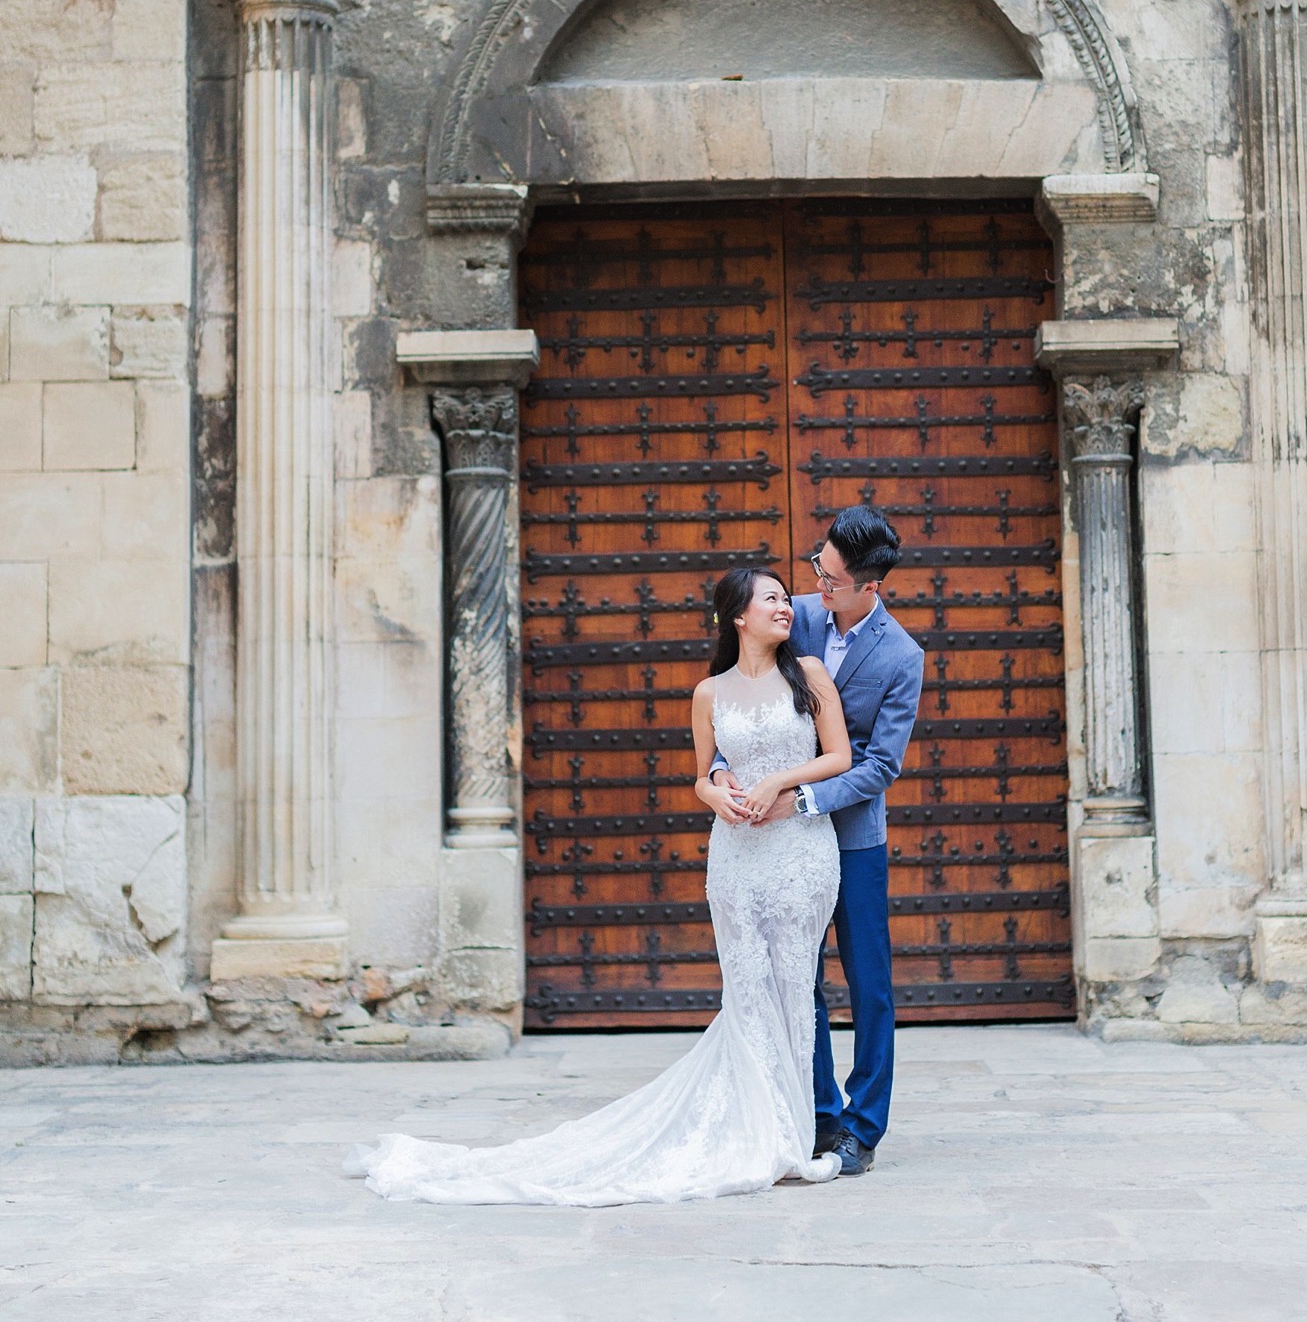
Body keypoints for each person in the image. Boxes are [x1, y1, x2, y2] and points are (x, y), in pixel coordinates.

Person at [344, 567, 853, 1207]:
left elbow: (840, 759)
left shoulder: (809, 675)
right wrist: (716, 795)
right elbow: (699, 777)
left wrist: (778, 781)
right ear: (737, 616)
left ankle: (788, 1133)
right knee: (748, 990)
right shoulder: (708, 692)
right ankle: (761, 1133)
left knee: (794, 987)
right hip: (737, 856)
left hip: (800, 854)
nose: (787, 608)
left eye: (785, 599)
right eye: (773, 599)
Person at [720, 505, 923, 1177]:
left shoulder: (900, 657)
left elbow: (880, 765)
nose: (816, 585)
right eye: (818, 567)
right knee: (794, 977)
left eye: (831, 577)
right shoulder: (793, 615)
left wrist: (801, 798)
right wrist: (721, 772)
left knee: (869, 983)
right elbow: (734, 702)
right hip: (781, 848)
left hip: (853, 837)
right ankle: (819, 1113)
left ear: (871, 586)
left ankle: (864, 1124)